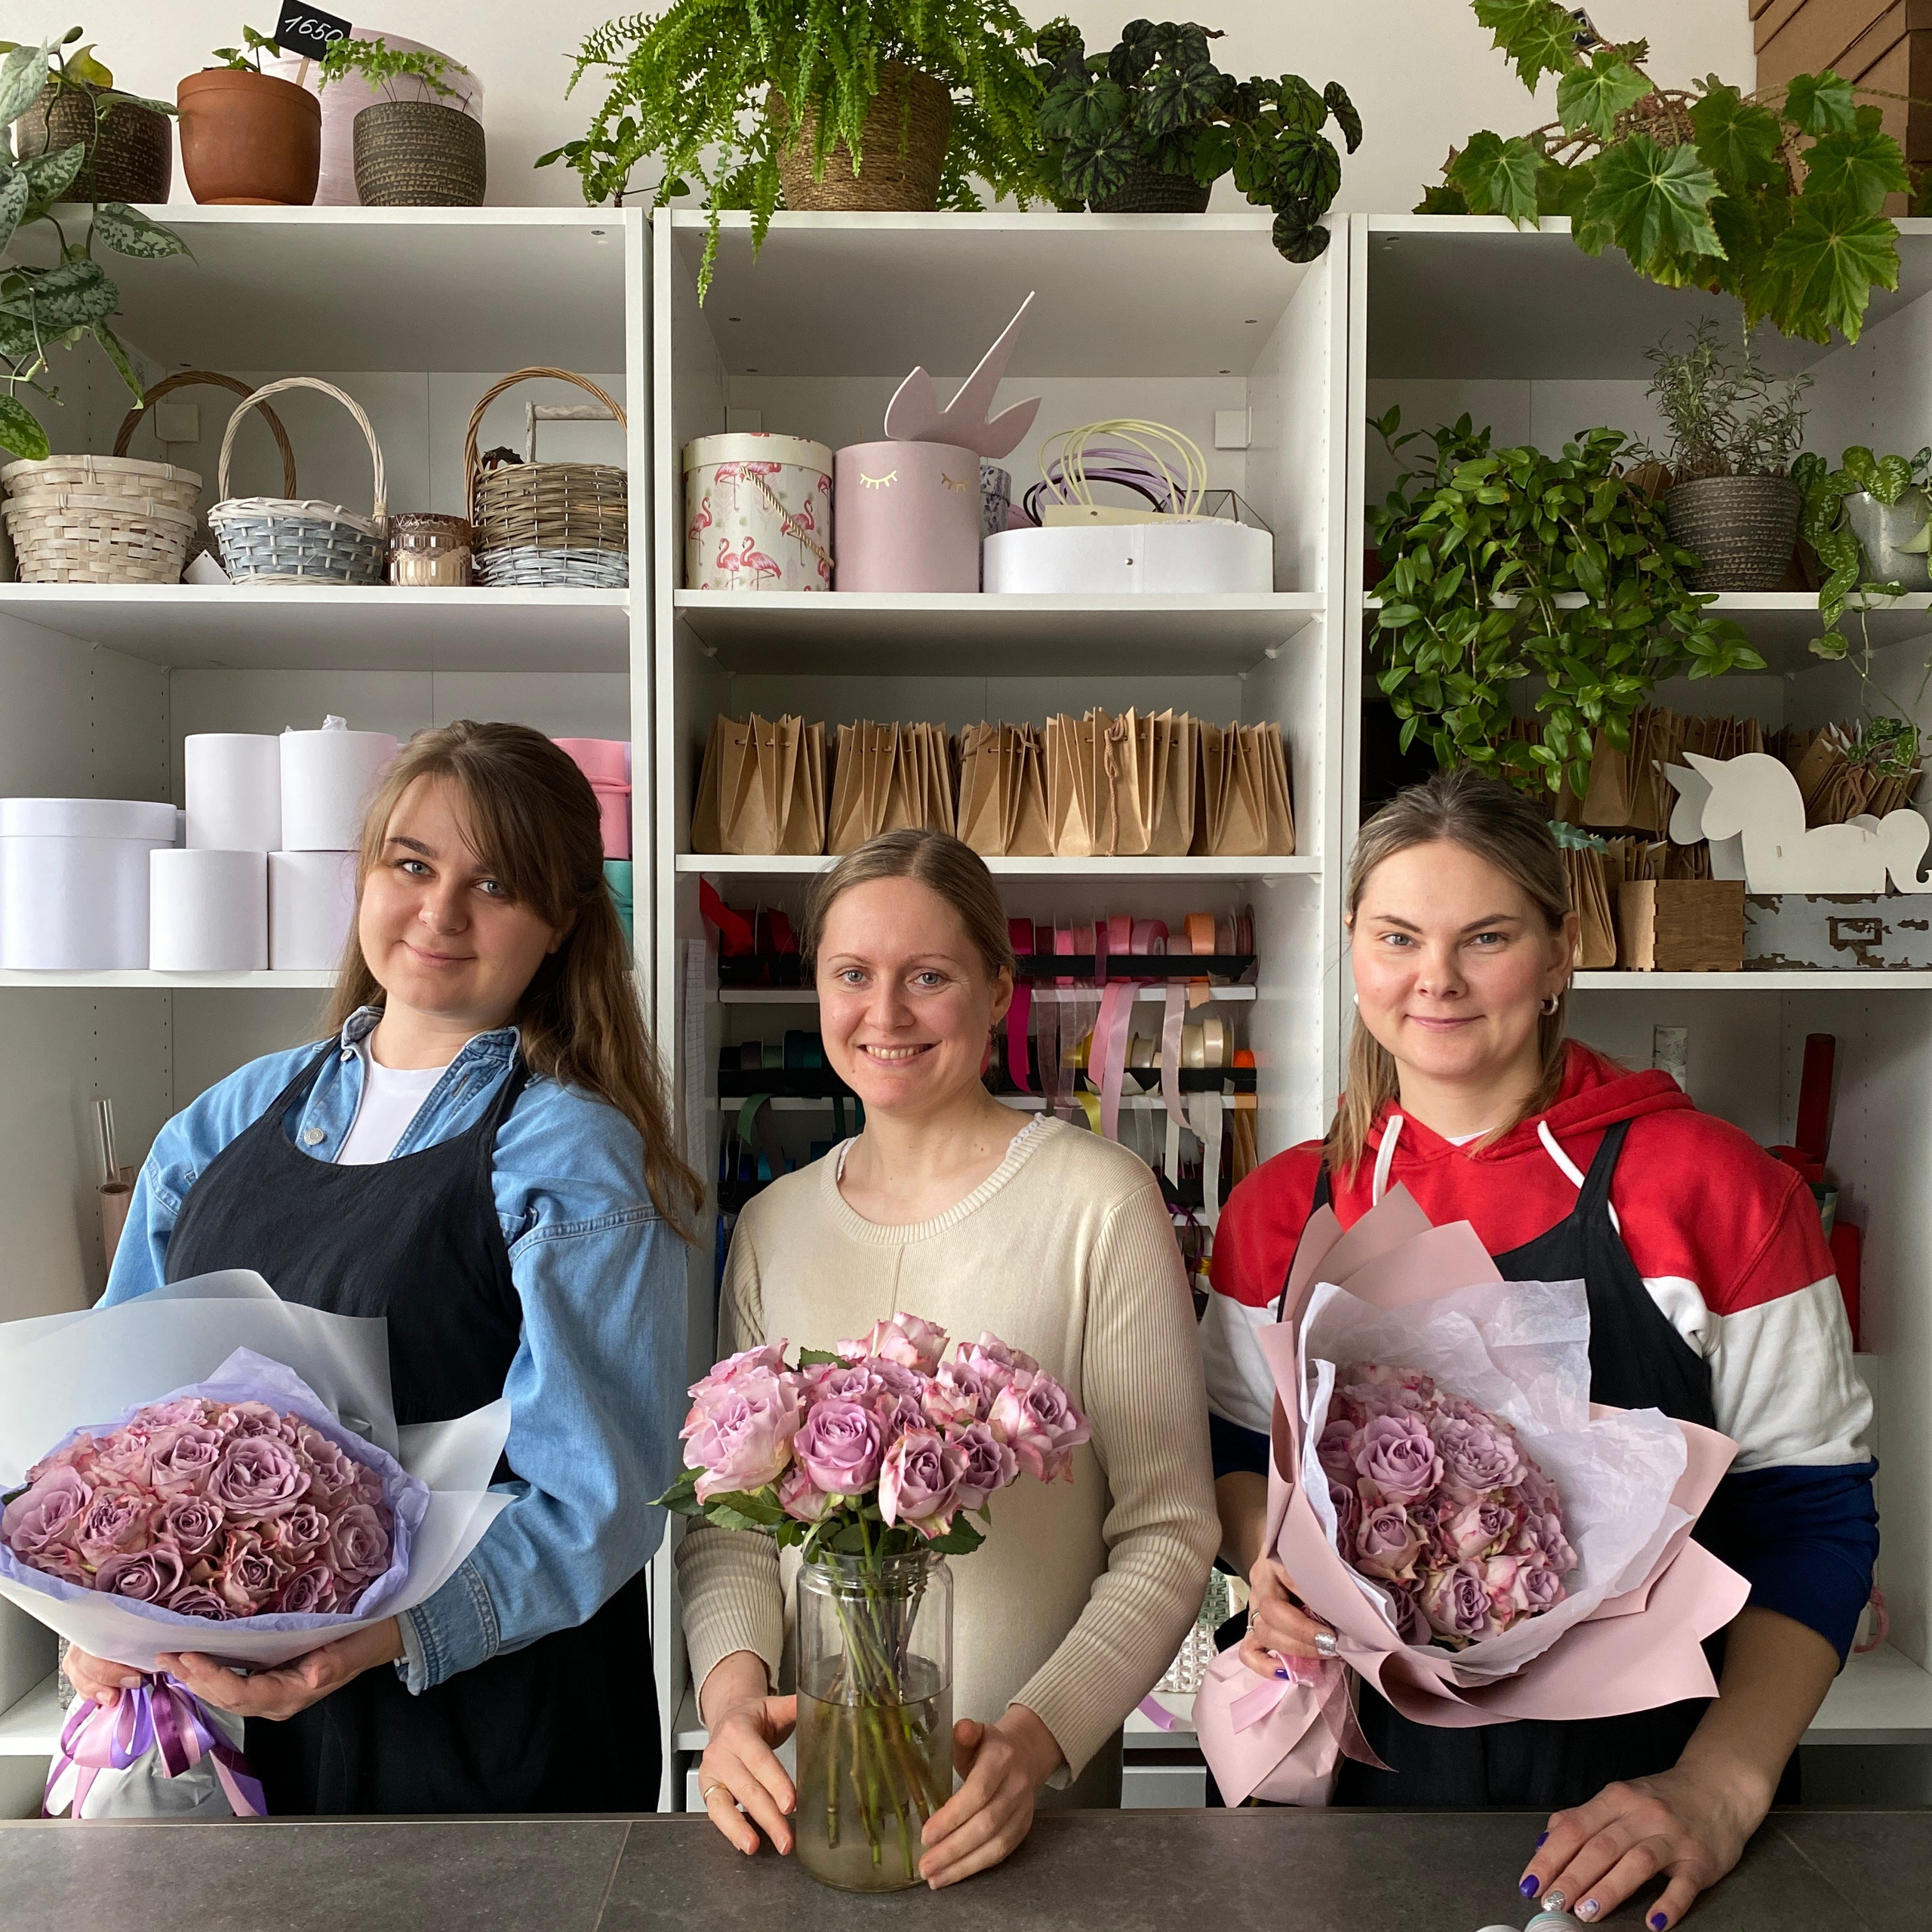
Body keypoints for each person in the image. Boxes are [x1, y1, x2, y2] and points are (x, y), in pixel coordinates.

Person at [1205, 769, 1877, 1932]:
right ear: (1355, 951)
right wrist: (1268, 1570)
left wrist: (1718, 1790)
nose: (1438, 979)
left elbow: (1814, 1520)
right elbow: (1228, 1454)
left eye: (1489, 938)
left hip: (1645, 1806)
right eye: (1398, 937)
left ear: (1563, 953)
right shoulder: (1279, 1208)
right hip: (1347, 1799)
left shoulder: (1713, 1191)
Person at [63, 721, 700, 1815]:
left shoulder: (568, 1157)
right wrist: (103, 1617)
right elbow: (118, 1425)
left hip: (481, 1731)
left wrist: (384, 1636)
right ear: (365, 877)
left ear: (560, 926)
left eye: (495, 884)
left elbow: (598, 1504)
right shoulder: (225, 1120)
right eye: (412, 864)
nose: (440, 912)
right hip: (237, 1725)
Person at [681, 828, 1218, 1888]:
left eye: (927, 976)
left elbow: (1168, 1532)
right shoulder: (774, 1226)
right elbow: (725, 1527)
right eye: (853, 974)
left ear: (997, 991)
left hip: (1030, 1825)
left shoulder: (1098, 1205)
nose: (884, 1014)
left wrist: (1036, 1741)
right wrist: (733, 1707)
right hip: (811, 1814)